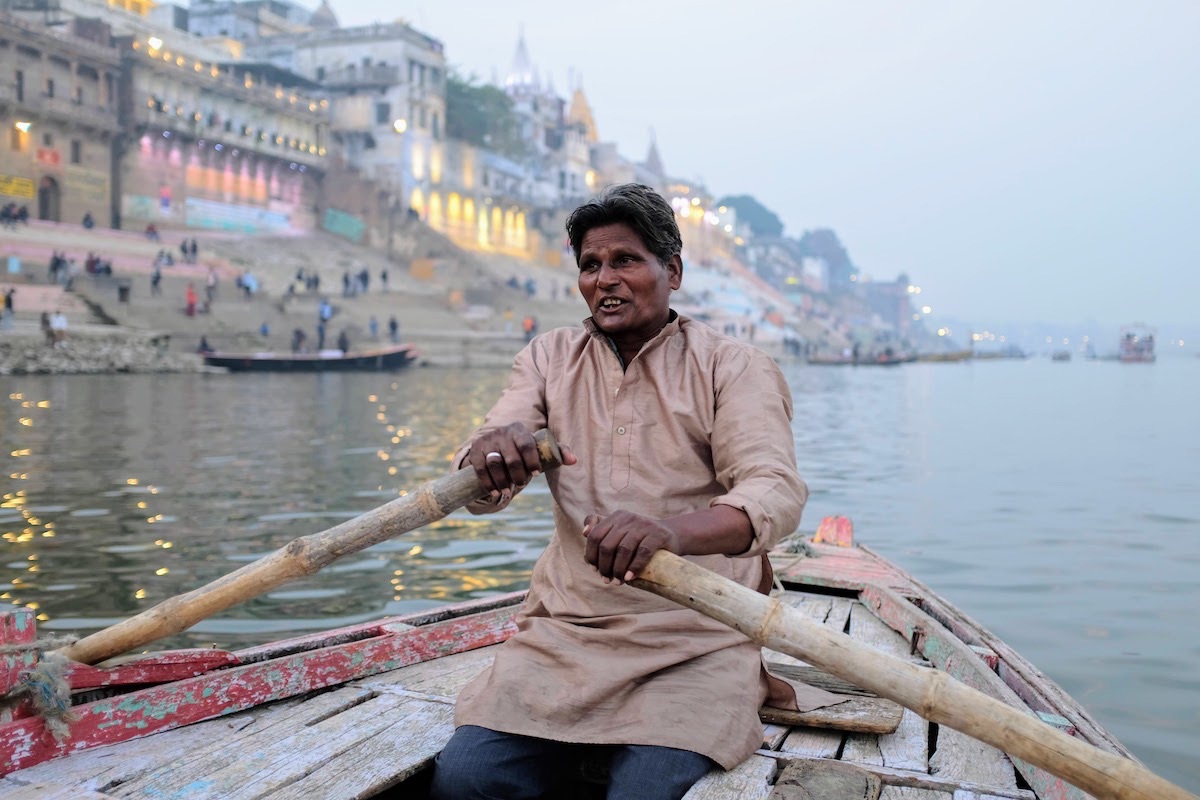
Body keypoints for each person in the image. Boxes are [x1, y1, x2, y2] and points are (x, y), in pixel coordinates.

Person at [429, 184, 837, 800]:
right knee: (465, 783)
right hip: (565, 633)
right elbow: (483, 479)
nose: (604, 280)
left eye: (625, 261)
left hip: (697, 637)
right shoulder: (548, 358)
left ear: (671, 271)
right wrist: (490, 456)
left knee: (643, 792)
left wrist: (670, 534)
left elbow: (773, 491)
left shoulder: (733, 366)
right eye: (590, 265)